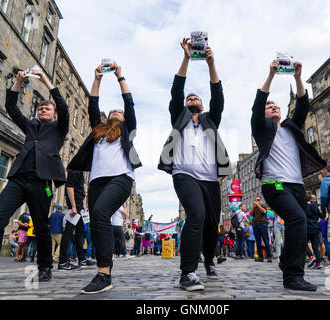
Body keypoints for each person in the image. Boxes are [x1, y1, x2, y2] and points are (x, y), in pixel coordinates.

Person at [0, 68, 69, 292]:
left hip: (42, 183)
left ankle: (45, 266)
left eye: (47, 108)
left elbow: (63, 106)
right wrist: (19, 82)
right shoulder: (30, 126)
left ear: (54, 115)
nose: (43, 109)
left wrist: (47, 81)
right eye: (40, 107)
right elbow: (12, 107)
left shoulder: (59, 129)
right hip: (18, 180)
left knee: (41, 227)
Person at [158, 38, 231, 292]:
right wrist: (187, 57)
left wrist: (211, 63)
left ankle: (209, 260)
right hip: (184, 174)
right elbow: (177, 90)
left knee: (211, 223)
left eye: (195, 97)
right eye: (189, 98)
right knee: (196, 215)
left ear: (201, 105)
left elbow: (218, 95)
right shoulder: (180, 118)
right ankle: (187, 272)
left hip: (211, 179)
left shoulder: (211, 119)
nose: (190, 98)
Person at [251, 59, 326, 291]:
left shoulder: (292, 127)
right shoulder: (262, 130)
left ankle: (286, 261)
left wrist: (297, 76)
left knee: (302, 226)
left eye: (277, 107)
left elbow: (303, 104)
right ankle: (293, 276)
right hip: (275, 184)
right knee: (297, 219)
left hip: (296, 185)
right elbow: (258, 104)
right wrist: (271, 74)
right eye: (269, 107)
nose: (273, 108)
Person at [67, 62, 141, 294]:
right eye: (113, 112)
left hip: (121, 178)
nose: (116, 113)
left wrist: (120, 76)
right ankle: (104, 272)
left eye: (119, 112)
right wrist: (97, 78)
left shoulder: (128, 131)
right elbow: (92, 104)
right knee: (98, 223)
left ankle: (103, 274)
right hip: (97, 182)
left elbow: (129, 103)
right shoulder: (98, 131)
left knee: (99, 213)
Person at [58, 169, 95, 270]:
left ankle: (82, 259)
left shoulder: (81, 169)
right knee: (69, 231)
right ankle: (62, 262)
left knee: (81, 230)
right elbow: (69, 187)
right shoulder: (75, 168)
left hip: (79, 203)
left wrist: (83, 202)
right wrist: (74, 206)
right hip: (75, 203)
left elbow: (81, 189)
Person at [305, 192, 326, 269]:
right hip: (315, 229)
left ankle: (311, 257)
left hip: (306, 228)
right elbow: (322, 216)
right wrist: (323, 209)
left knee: (303, 244)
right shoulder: (315, 206)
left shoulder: (303, 207)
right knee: (315, 247)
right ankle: (319, 263)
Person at [251, 197, 272, 262]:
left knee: (266, 240)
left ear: (261, 201)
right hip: (255, 224)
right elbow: (250, 213)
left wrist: (258, 205)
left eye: (258, 200)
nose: (257, 201)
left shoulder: (263, 206)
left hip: (263, 224)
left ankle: (269, 256)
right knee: (258, 241)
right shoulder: (255, 208)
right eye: (256, 200)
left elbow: (264, 211)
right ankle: (260, 256)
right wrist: (253, 206)